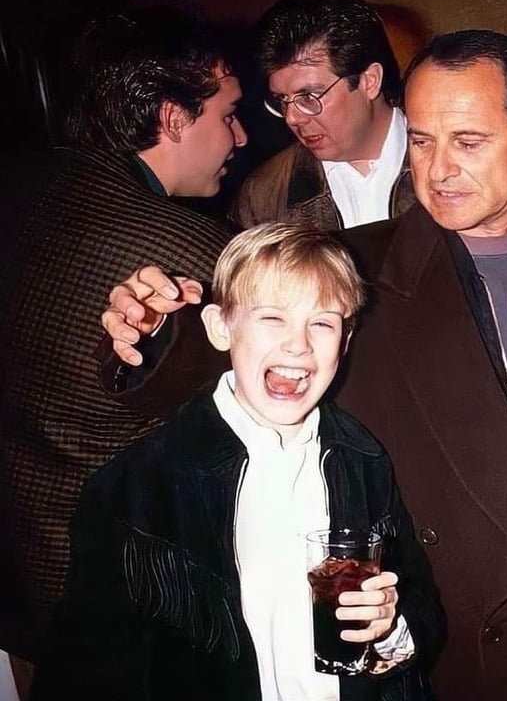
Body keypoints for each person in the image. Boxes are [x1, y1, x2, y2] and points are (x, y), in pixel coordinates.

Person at [101, 30, 507, 701]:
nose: (438, 170)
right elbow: (249, 354)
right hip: (442, 644)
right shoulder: (353, 264)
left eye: (468, 142)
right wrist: (156, 332)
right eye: (421, 140)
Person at [32, 224, 444, 701]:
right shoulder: (139, 487)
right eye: (272, 318)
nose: (299, 344)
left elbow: (421, 604)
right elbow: (85, 670)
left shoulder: (364, 458)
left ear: (346, 341)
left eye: (323, 322)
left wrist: (391, 628)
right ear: (220, 327)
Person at [0, 10, 246, 664]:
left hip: (21, 583)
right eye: (227, 114)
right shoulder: (193, 248)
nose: (241, 136)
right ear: (172, 120)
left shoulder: (22, 189)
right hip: (125, 607)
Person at [235, 0, 416, 229]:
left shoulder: (448, 163)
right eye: (281, 99)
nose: (292, 118)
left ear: (369, 81)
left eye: (308, 96)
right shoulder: (264, 195)